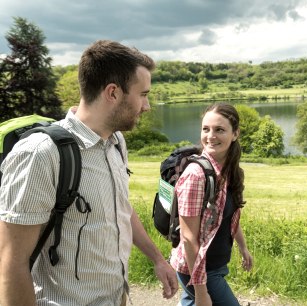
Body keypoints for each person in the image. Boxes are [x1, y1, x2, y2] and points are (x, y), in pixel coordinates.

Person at [0, 40, 178, 305]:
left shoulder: (116, 141)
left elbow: (121, 207)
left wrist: (158, 259)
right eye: (143, 94)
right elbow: (12, 265)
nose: (147, 105)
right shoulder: (40, 154)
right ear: (113, 93)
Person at [170, 103, 253, 306]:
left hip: (215, 265)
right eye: (206, 129)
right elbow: (188, 238)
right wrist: (200, 291)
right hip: (199, 271)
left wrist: (243, 247)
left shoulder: (228, 171)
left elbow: (229, 216)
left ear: (235, 134)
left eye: (219, 130)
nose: (210, 136)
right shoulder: (196, 175)